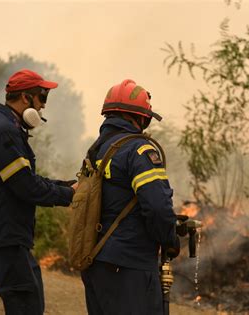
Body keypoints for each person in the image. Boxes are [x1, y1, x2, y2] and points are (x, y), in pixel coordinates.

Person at [0, 69, 77, 315]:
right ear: (26, 98)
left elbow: (24, 178)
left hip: (5, 237)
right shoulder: (4, 131)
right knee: (27, 306)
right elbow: (26, 187)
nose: (42, 107)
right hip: (2, 239)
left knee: (29, 302)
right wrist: (70, 196)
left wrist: (65, 185)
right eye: (42, 98)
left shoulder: (4, 125)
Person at [80, 79, 180, 315]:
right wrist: (170, 240)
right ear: (142, 118)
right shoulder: (139, 151)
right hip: (129, 267)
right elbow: (157, 207)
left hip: (97, 262)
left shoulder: (96, 152)